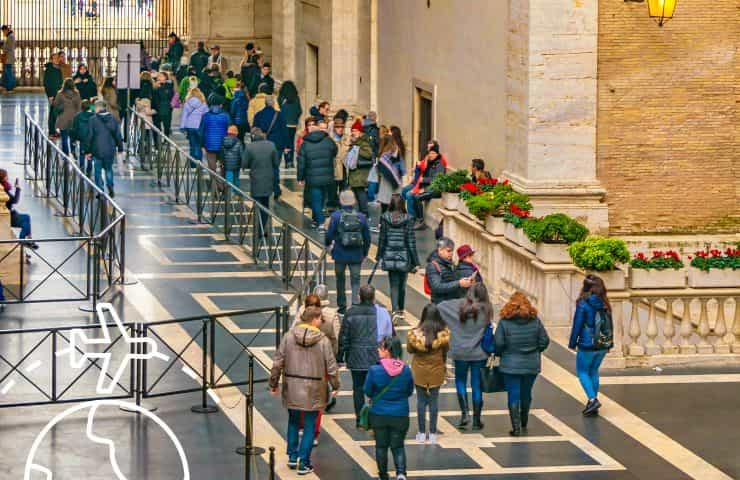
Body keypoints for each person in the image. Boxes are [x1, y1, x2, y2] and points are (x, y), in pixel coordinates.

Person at [269, 306, 340, 475]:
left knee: (293, 421)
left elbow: (278, 362)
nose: (322, 321)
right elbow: (331, 367)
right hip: (314, 389)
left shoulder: (288, 337)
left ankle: (292, 457)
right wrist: (335, 385)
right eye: (320, 319)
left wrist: (273, 383)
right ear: (314, 319)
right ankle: (304, 462)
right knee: (309, 426)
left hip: (292, 387)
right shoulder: (323, 341)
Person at [438, 283, 493, 430]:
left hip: (459, 351)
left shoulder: (458, 307)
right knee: (476, 385)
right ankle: (476, 419)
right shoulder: (487, 310)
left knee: (460, 381)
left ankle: (464, 414)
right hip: (479, 353)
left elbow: (440, 306)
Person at [494, 291, 550, 436]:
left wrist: (501, 353)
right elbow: (544, 341)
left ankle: (516, 427)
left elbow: (498, 343)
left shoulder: (504, 322)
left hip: (510, 364)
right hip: (531, 363)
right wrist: (536, 351)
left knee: (513, 394)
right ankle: (524, 421)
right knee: (526, 393)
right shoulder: (535, 321)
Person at [292, 291, 342, 445]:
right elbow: (335, 340)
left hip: (300, 367)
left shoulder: (298, 323)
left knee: (301, 397)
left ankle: (301, 426)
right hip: (321, 368)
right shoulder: (328, 321)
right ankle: (313, 433)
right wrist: (335, 381)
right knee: (318, 401)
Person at [364, 336, 414, 480]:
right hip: (400, 414)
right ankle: (401, 473)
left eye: (381, 347)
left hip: (378, 414)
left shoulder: (374, 370)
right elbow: (409, 391)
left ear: (388, 350)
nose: (378, 350)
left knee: (381, 446)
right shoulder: (405, 370)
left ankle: (383, 475)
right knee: (398, 446)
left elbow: (367, 390)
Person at [338, 284, 382, 425]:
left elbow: (343, 336)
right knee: (376, 387)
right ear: (374, 297)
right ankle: (374, 416)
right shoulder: (380, 313)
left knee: (357, 388)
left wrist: (340, 356)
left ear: (359, 297)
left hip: (355, 355)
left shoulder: (351, 313)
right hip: (375, 355)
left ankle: (360, 418)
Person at [569, 274, 612, 417]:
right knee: (593, 371)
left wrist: (572, 342)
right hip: (603, 343)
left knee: (582, 372)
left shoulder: (583, 303)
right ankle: (592, 401)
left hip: (587, 343)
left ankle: (593, 399)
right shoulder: (605, 303)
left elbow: (577, 324)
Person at [406, 304, 449, 444]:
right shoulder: (443, 334)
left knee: (421, 401)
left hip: (419, 370)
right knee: (434, 402)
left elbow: (410, 350)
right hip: (436, 370)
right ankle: (432, 433)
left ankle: (421, 432)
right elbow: (446, 350)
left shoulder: (414, 335)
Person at [325, 191, 371, 314]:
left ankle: (342, 306)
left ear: (341, 201)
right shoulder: (361, 217)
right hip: (356, 254)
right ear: (354, 201)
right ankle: (355, 304)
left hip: (340, 253)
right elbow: (367, 238)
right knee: (355, 280)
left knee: (340, 280)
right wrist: (365, 253)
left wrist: (328, 245)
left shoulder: (335, 216)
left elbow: (329, 234)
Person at [377, 194, 419, 320]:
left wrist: (379, 256)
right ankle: (400, 309)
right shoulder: (409, 218)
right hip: (404, 255)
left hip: (389, 255)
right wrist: (416, 261)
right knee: (402, 284)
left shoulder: (384, 217)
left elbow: (382, 239)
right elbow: (411, 241)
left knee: (393, 284)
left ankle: (395, 310)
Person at [296, 119, 338, 229]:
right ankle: (316, 219)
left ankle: (321, 222)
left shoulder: (305, 144)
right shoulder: (328, 141)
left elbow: (301, 163)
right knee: (322, 198)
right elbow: (335, 151)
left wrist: (300, 178)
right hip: (327, 175)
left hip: (312, 176)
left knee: (315, 199)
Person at [253, 96, 289, 200]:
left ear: (265, 103)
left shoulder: (258, 115)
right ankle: (276, 189)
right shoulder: (279, 115)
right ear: (273, 104)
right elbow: (284, 131)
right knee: (275, 167)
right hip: (277, 145)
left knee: (262, 167)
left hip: (262, 144)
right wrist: (287, 145)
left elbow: (254, 131)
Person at [85, 99, 123, 197]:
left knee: (97, 171)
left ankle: (100, 190)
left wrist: (87, 151)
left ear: (97, 108)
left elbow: (89, 136)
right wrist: (120, 147)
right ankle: (110, 187)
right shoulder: (113, 118)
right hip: (110, 149)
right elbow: (118, 135)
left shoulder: (92, 120)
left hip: (96, 149)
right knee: (109, 169)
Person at [406, 141, 447, 229]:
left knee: (417, 197)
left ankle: (421, 221)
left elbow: (436, 180)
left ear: (437, 154)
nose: (431, 155)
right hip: (428, 187)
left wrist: (424, 183)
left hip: (435, 189)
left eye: (433, 153)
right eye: (430, 153)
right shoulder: (430, 162)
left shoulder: (439, 164)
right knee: (413, 195)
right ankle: (417, 218)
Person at [426, 237, 474, 304]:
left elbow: (452, 279)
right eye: (448, 251)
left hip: (451, 301)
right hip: (441, 304)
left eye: (452, 251)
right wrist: (459, 283)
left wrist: (465, 280)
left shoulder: (449, 262)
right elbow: (436, 287)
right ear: (440, 250)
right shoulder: (433, 266)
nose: (451, 253)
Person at [0, 169, 37, 249]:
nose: (8, 177)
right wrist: (18, 189)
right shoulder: (3, 189)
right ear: (3, 178)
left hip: (11, 213)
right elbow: (15, 200)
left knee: (26, 219)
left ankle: (27, 240)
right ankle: (23, 241)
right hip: (8, 216)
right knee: (26, 220)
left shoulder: (4, 187)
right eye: (6, 176)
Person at [347, 119, 374, 217]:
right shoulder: (356, 142)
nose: (353, 133)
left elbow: (368, 154)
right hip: (356, 172)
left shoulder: (363, 142)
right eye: (352, 131)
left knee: (360, 193)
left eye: (355, 131)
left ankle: (365, 213)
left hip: (360, 173)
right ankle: (361, 214)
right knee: (357, 193)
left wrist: (357, 150)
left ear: (360, 132)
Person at [199, 95, 230, 176]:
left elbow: (201, 131)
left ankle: (215, 185)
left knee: (212, 169)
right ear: (221, 105)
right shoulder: (226, 116)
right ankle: (223, 185)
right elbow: (230, 130)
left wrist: (202, 144)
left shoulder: (206, 116)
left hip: (209, 145)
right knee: (223, 166)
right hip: (223, 145)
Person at [52, 78, 82, 156]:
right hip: (73, 118)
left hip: (63, 117)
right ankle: (73, 151)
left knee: (64, 137)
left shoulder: (60, 94)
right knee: (72, 137)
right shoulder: (77, 94)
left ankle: (65, 153)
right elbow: (79, 106)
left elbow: (56, 105)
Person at [180, 87, 208, 163]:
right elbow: (206, 116)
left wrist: (182, 127)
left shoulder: (187, 103)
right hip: (199, 126)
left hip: (190, 126)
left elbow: (184, 116)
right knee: (199, 145)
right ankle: (199, 161)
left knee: (192, 145)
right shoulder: (203, 103)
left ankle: (192, 163)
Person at [278, 80, 302, 168]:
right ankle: (291, 161)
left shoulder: (281, 98)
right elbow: (300, 110)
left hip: (284, 123)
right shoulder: (296, 98)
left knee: (285, 142)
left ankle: (287, 160)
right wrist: (295, 118)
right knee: (291, 142)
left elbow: (278, 110)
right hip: (293, 124)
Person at [376, 135, 403, 212]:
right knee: (395, 204)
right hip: (397, 179)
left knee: (385, 203)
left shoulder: (384, 156)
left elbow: (381, 169)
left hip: (386, 182)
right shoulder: (397, 151)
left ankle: (384, 221)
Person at [328, 117, 350, 209]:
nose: (340, 129)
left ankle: (342, 206)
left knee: (343, 189)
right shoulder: (330, 139)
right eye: (338, 127)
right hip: (334, 167)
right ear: (334, 128)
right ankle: (332, 206)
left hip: (344, 167)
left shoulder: (347, 138)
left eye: (342, 127)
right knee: (332, 189)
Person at [72, 100, 95, 173]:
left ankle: (82, 168)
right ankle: (89, 169)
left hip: (82, 138)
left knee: (82, 153)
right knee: (90, 153)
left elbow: (75, 128)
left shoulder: (78, 116)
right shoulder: (94, 115)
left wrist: (74, 139)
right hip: (91, 138)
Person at [43, 53, 63, 135]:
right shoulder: (49, 69)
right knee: (52, 114)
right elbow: (47, 83)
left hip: (59, 94)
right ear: (51, 60)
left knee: (56, 113)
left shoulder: (58, 68)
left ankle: (54, 130)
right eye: (54, 58)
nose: (56, 60)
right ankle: (51, 131)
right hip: (53, 95)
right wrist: (50, 95)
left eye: (57, 58)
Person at [1, 25, 17, 93]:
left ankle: (10, 88)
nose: (3, 33)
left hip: (8, 58)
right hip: (8, 57)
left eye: (3, 31)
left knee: (9, 73)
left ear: (6, 30)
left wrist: (2, 47)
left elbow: (8, 48)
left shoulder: (10, 37)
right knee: (7, 72)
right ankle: (7, 87)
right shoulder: (10, 36)